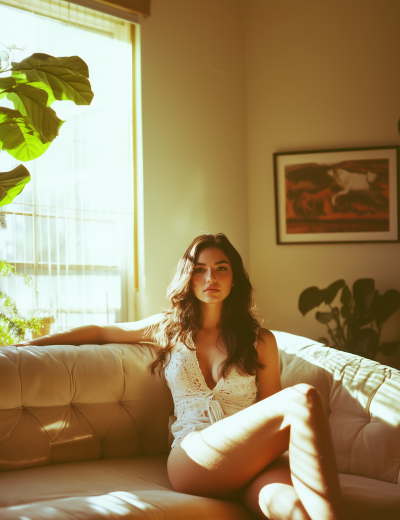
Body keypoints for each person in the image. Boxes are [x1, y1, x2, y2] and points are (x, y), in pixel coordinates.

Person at [17, 233, 344, 520]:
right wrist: (29, 343)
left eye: (221, 268)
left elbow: (271, 413)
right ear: (188, 278)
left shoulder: (260, 341)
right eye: (199, 269)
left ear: (234, 280)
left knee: (295, 509)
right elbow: (102, 332)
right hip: (194, 456)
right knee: (303, 399)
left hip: (249, 462)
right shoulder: (170, 329)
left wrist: (284, 468)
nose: (210, 277)